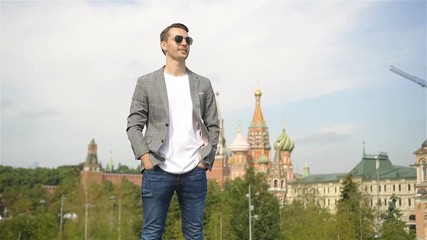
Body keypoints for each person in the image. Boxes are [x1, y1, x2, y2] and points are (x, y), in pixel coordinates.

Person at [126, 23, 219, 240]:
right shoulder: (146, 82)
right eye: (178, 39)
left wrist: (205, 161)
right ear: (164, 45)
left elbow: (213, 125)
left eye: (188, 40)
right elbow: (134, 124)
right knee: (151, 233)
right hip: (158, 168)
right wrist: (145, 157)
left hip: (194, 171)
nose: (184, 43)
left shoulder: (203, 84)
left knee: (195, 234)